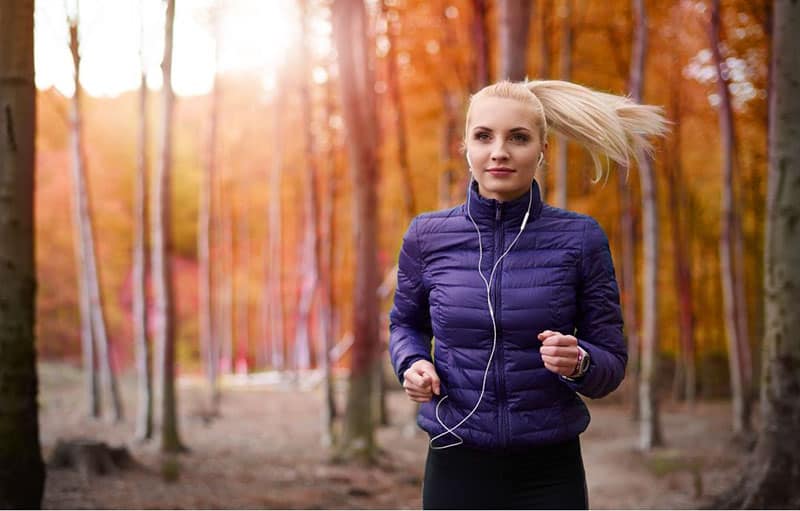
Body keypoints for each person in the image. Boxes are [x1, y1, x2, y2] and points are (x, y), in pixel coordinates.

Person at [388, 79, 667, 510]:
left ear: (542, 150)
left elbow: (610, 362)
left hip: (549, 471)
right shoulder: (427, 236)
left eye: (518, 137)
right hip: (455, 459)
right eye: (484, 136)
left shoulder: (580, 238)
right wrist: (413, 362)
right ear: (465, 146)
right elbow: (405, 323)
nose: (499, 150)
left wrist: (579, 362)